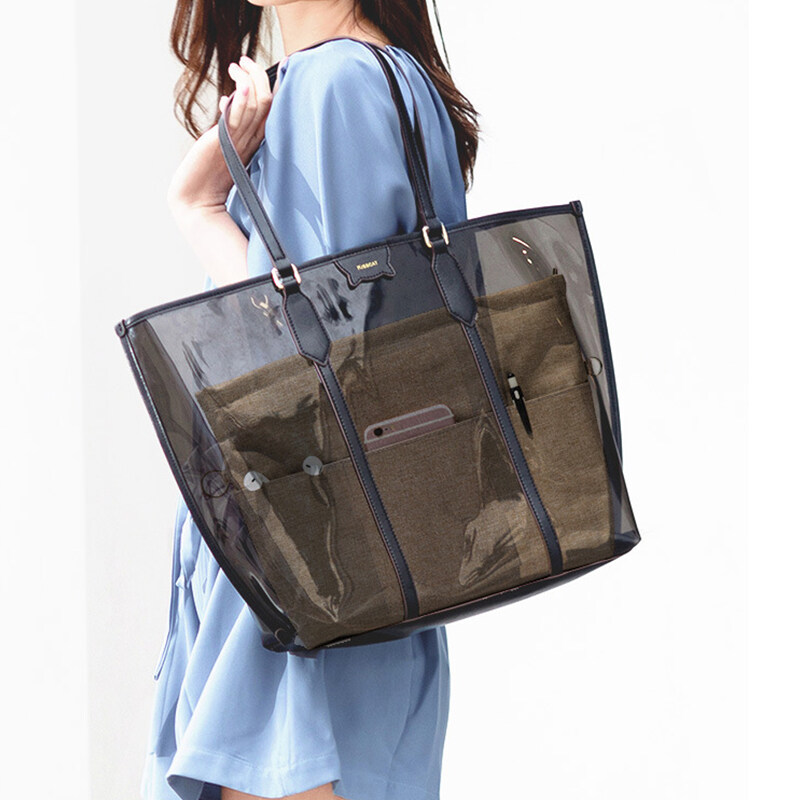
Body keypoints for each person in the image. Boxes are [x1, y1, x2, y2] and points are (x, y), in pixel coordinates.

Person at [143, 2, 480, 799]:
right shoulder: (388, 78)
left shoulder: (333, 85)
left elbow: (308, 365)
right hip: (350, 578)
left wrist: (199, 211)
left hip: (301, 585)